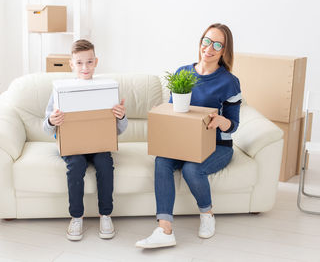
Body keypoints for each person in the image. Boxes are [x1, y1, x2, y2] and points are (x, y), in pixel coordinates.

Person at [136, 23, 242, 248]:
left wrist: (222, 122)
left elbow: (233, 125)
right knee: (162, 161)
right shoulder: (183, 73)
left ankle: (207, 214)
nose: (209, 48)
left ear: (224, 51)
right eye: (206, 40)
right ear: (200, 42)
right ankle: (164, 230)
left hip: (218, 147)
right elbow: (177, 115)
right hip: (184, 144)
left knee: (192, 168)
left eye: (217, 44)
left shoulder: (230, 82)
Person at [43, 39, 128, 241]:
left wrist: (121, 117)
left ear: (96, 62)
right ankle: (76, 217)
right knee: (76, 166)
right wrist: (51, 120)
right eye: (79, 63)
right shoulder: (60, 89)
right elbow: (46, 127)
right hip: (73, 146)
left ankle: (105, 215)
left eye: (89, 62)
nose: (85, 67)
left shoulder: (107, 88)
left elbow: (120, 130)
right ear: (71, 64)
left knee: (105, 163)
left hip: (99, 144)